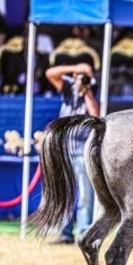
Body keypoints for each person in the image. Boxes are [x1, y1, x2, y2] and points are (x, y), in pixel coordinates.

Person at [45, 63, 99, 244]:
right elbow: (50, 73)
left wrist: (87, 91)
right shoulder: (68, 89)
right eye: (80, 75)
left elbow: (95, 115)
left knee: (85, 195)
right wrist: (75, 68)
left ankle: (84, 233)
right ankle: (65, 232)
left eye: (86, 75)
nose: (82, 78)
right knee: (65, 193)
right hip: (64, 148)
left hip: (83, 150)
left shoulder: (94, 90)